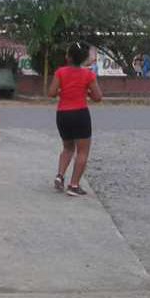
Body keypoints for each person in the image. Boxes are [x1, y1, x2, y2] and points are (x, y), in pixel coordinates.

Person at [48, 42, 103, 196]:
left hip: (63, 114)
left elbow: (51, 93)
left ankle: (60, 175)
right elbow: (98, 97)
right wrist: (86, 92)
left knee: (67, 148)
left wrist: (63, 91)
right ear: (84, 58)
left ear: (68, 57)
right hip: (80, 114)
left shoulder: (60, 72)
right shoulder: (88, 75)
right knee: (82, 151)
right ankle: (74, 185)